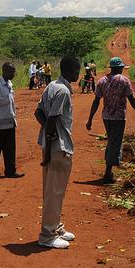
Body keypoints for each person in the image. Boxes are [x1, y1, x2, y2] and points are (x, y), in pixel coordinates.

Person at [35, 57, 81, 249]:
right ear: (69, 69)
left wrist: (47, 134)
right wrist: (50, 135)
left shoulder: (52, 86)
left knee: (54, 191)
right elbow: (52, 120)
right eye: (77, 69)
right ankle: (47, 235)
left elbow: (38, 113)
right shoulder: (62, 91)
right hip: (58, 147)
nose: (79, 74)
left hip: (51, 145)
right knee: (55, 192)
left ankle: (55, 227)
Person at [87, 56, 135, 184]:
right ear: (119, 68)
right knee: (114, 143)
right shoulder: (124, 81)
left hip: (106, 117)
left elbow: (96, 101)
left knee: (112, 141)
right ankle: (108, 173)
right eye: (122, 68)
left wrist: (90, 119)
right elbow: (131, 99)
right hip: (118, 117)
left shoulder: (102, 81)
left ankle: (109, 169)